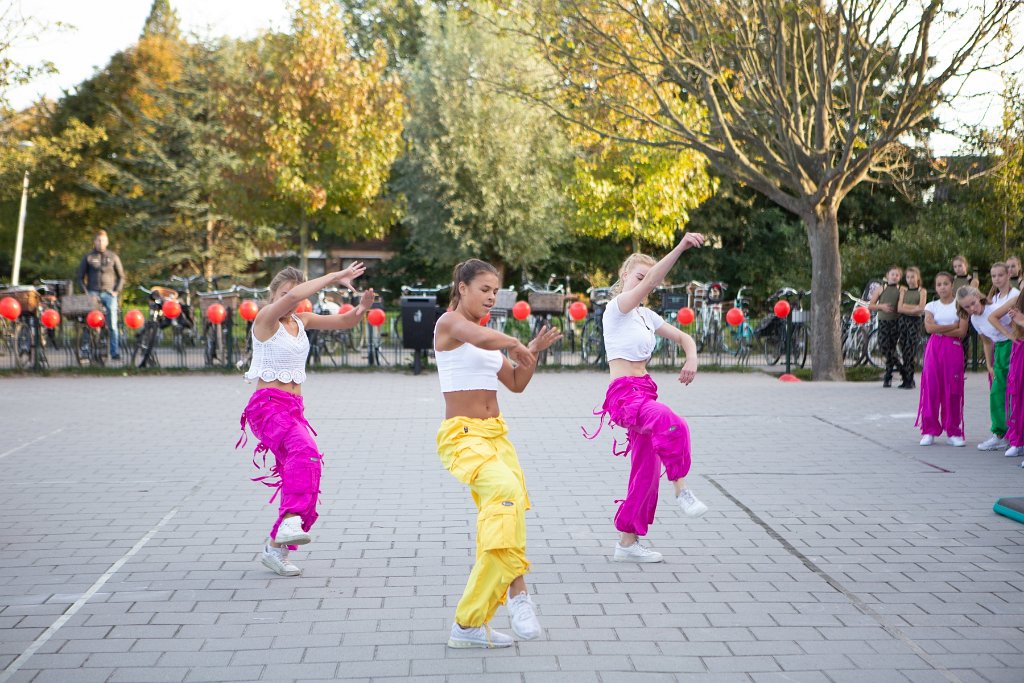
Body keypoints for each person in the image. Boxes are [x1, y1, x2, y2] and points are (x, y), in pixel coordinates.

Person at [434, 259, 561, 649]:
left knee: (508, 510)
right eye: (485, 288)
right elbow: (486, 339)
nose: (492, 296)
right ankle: (518, 597)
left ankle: (470, 624)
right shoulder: (449, 325)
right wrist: (514, 342)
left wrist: (532, 354)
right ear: (462, 287)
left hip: (496, 436)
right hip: (463, 436)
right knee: (505, 493)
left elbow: (516, 383)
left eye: (495, 290)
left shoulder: (486, 338)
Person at [235, 264, 373, 577]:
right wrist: (336, 277)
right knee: (305, 452)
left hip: (293, 407)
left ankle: (276, 548)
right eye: (285, 295)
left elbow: (344, 321)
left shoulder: (302, 319)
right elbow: (298, 292)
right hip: (267, 407)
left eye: (293, 298)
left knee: (306, 470)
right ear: (273, 295)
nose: (292, 302)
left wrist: (362, 308)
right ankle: (288, 522)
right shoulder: (266, 319)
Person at [585, 233, 708, 565]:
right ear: (625, 275)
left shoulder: (645, 317)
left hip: (645, 391)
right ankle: (682, 489)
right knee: (673, 424)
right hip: (625, 396)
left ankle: (627, 543)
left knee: (646, 470)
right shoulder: (617, 308)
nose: (647, 284)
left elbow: (684, 336)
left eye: (648, 278)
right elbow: (652, 281)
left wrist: (691, 357)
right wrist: (681, 247)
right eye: (640, 277)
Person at [958, 270, 1017, 452]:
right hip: (999, 351)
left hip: (1011, 347)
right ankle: (1001, 433)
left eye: (973, 304)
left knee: (1010, 392)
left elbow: (1014, 326)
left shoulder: (994, 309)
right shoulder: (975, 319)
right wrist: (989, 364)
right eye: (967, 307)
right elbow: (986, 341)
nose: (972, 309)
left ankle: (1009, 434)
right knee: (997, 392)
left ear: (978, 297)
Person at [916, 272, 968, 447]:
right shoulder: (931, 305)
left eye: (946, 283)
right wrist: (952, 325)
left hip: (953, 349)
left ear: (952, 285)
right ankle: (929, 430)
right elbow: (929, 328)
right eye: (939, 284)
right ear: (936, 287)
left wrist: (942, 329)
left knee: (952, 389)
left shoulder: (960, 305)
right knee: (931, 387)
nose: (942, 287)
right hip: (934, 349)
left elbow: (962, 331)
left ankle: (953, 430)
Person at [986, 281, 1024, 458]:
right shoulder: (1018, 299)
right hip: (1018, 348)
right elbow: (993, 318)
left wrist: (1020, 320)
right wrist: (1015, 325)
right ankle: (1016, 440)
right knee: (1015, 394)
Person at [76, 230, 125, 360]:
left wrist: (116, 292)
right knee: (89, 321)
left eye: (103, 240)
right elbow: (80, 277)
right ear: (94, 241)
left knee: (113, 323)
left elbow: (121, 277)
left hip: (109, 293)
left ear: (107, 242)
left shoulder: (113, 256)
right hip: (93, 292)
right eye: (98, 240)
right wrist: (85, 292)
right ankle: (85, 348)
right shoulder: (88, 257)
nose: (100, 242)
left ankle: (114, 352)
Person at [868, 265, 904, 388]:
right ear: (887, 275)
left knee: (892, 348)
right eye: (892, 274)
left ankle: (888, 376)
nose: (894, 277)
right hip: (883, 321)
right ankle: (902, 369)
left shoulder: (901, 289)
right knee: (884, 347)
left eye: (897, 275)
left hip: (896, 322)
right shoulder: (880, 288)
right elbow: (871, 305)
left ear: (900, 277)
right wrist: (881, 307)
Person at [896, 267, 927, 389]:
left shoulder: (922, 291)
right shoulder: (904, 291)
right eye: (908, 277)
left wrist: (907, 307)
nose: (910, 280)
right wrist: (912, 308)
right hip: (903, 321)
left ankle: (910, 378)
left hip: (915, 322)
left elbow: (921, 308)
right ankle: (906, 379)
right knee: (903, 349)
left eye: (912, 277)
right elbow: (899, 308)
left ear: (917, 278)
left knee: (910, 349)